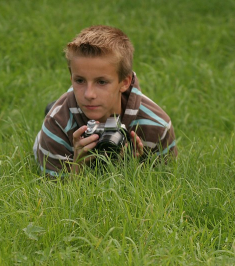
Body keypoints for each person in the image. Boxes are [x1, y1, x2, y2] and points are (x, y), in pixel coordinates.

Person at [33, 25, 177, 177]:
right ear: (71, 79)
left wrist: (134, 169)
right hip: (64, 123)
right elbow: (53, 188)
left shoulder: (157, 126)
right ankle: (54, 106)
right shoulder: (57, 122)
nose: (89, 94)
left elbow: (167, 181)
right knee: (54, 116)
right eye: (80, 80)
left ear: (125, 82)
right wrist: (77, 167)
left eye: (101, 82)